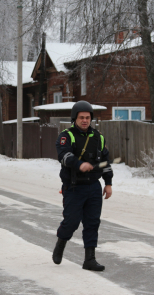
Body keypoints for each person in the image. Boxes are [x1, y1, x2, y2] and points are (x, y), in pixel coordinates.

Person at [52, 100, 113, 271]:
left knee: (92, 222)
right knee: (71, 222)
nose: (85, 120)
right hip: (73, 187)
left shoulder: (99, 138)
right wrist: (79, 164)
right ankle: (61, 243)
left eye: (87, 117)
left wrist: (108, 183)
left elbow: (105, 163)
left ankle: (90, 259)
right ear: (75, 118)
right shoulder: (66, 136)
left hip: (93, 186)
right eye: (81, 118)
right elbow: (64, 155)